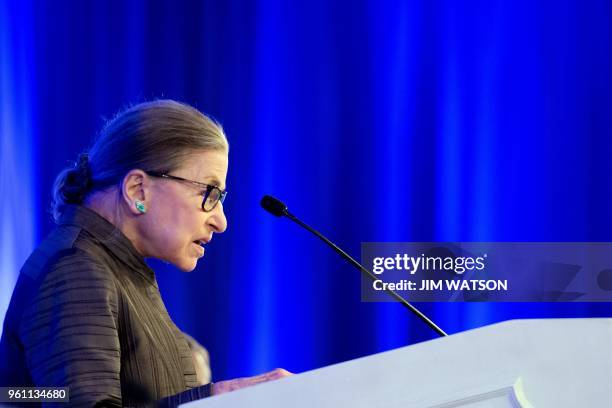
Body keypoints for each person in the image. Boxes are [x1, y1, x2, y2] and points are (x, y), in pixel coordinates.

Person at [0, 100, 290, 406]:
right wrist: (213, 398)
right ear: (138, 190)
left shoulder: (112, 268)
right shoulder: (75, 270)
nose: (221, 221)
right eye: (209, 193)